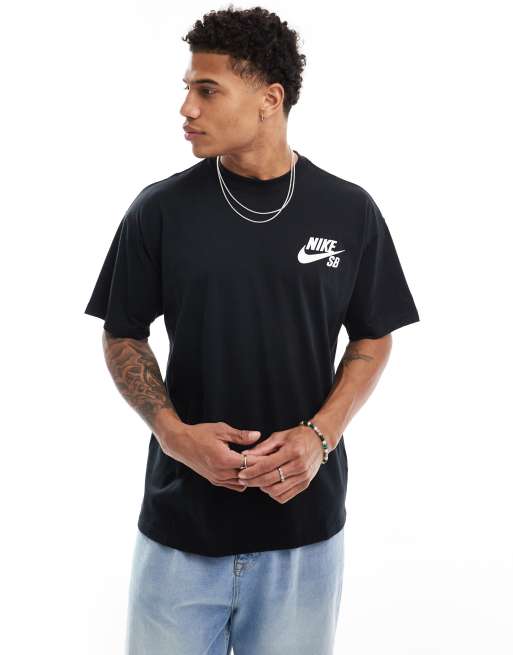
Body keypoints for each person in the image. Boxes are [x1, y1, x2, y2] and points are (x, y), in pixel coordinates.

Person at [84, 6, 420, 655]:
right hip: (181, 532)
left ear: (269, 99)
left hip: (303, 534)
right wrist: (174, 435)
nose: (186, 107)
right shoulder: (159, 210)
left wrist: (321, 434)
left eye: (207, 90)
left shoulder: (347, 211)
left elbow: (373, 334)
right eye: (188, 87)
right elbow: (123, 333)